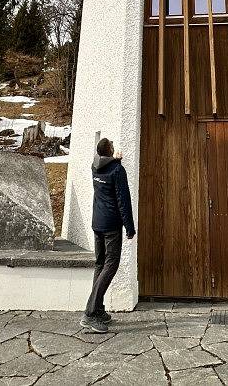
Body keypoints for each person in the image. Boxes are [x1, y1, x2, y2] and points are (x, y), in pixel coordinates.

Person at [81, 136, 136, 333]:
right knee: (111, 265)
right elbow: (123, 200)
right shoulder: (117, 170)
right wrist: (129, 227)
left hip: (97, 223)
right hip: (111, 225)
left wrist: (116, 161)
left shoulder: (94, 167)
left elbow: (107, 169)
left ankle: (98, 310)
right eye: (112, 145)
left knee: (100, 264)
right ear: (110, 150)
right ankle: (90, 313)